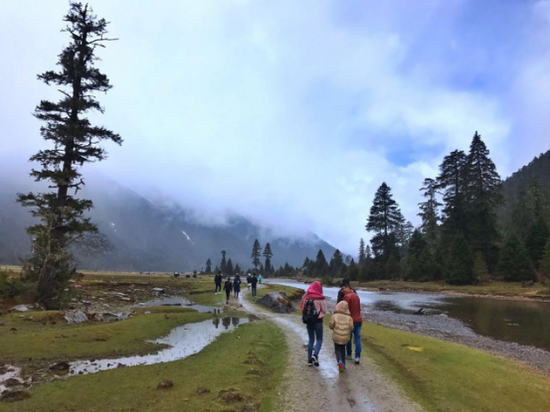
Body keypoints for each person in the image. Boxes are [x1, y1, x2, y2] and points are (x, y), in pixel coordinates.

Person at [300, 281, 327, 367]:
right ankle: (315, 355)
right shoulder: (320, 298)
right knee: (319, 339)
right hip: (318, 321)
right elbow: (325, 310)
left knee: (311, 340)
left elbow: (302, 308)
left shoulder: (306, 296)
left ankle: (309, 360)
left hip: (309, 321)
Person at [329, 300, 354, 373]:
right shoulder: (349, 318)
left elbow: (331, 325)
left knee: (337, 350)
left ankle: (339, 361)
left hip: (337, 336)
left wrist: (334, 327)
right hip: (345, 337)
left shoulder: (334, 316)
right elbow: (351, 327)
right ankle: (343, 363)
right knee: (343, 349)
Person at [341, 282, 363, 364]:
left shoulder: (347, 297)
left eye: (343, 289)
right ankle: (357, 356)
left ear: (347, 287)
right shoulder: (356, 296)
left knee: (348, 337)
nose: (342, 291)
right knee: (357, 338)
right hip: (359, 320)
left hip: (350, 320)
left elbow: (344, 310)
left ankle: (349, 354)